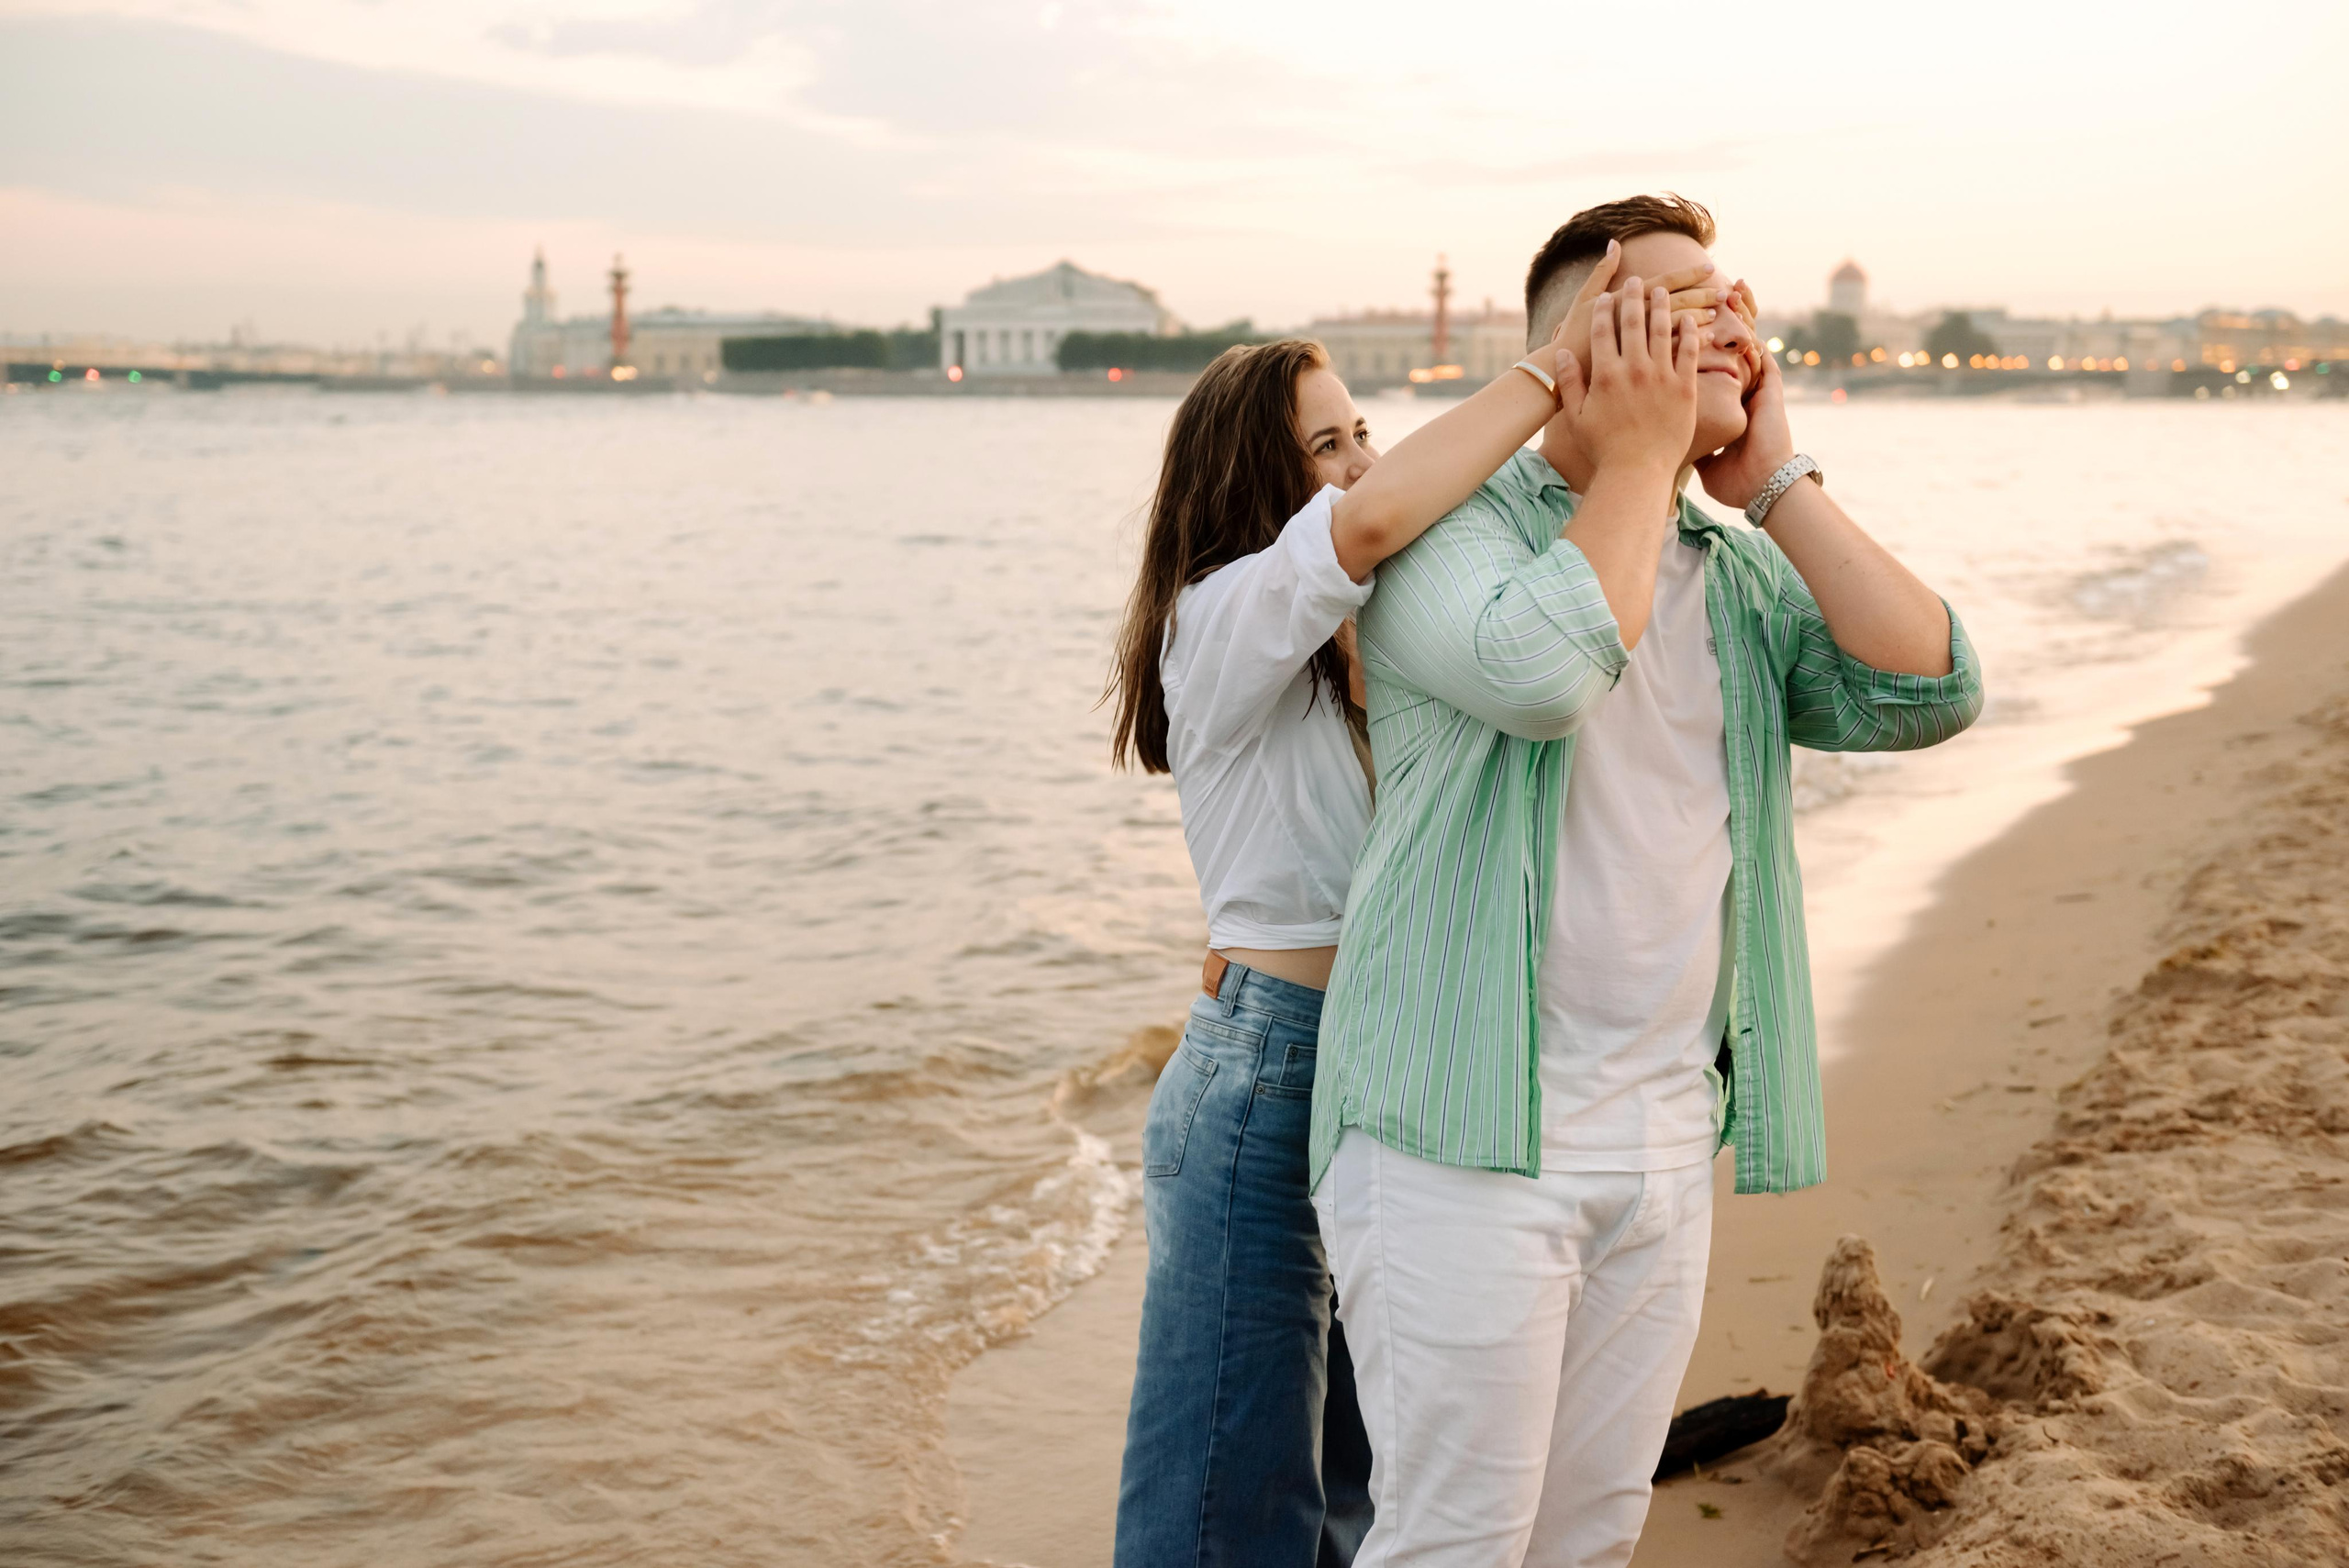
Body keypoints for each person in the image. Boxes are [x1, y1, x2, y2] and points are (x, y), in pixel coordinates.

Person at [1308, 194, 1986, 1567]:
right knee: (1454, 1542)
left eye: (1741, 297)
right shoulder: (1452, 530)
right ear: (1589, 339)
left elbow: (1933, 686)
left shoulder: (1723, 573)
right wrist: (1633, 450)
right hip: (1457, 1139)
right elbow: (1551, 672)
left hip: (1663, 1138)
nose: (1739, 322)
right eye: (1688, 303)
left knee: (1589, 1536)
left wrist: (1776, 484)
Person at [1105, 256, 1739, 1568]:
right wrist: (1563, 370)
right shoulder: (1221, 621)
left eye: (1360, 434)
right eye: (1321, 444)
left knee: (1368, 1485)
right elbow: (1380, 522)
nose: (1353, 462)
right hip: (1270, 1066)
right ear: (1248, 479)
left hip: (1403, 1067)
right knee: (1227, 1491)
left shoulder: (1367, 641)